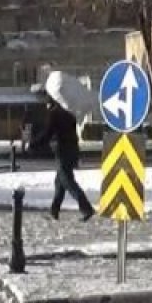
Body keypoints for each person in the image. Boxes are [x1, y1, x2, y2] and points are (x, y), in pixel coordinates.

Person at [29, 92, 95, 221]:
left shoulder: (55, 114)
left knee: (68, 182)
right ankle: (54, 211)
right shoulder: (69, 113)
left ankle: (86, 209)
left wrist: (33, 144)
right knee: (59, 182)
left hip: (62, 152)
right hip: (72, 151)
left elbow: (47, 134)